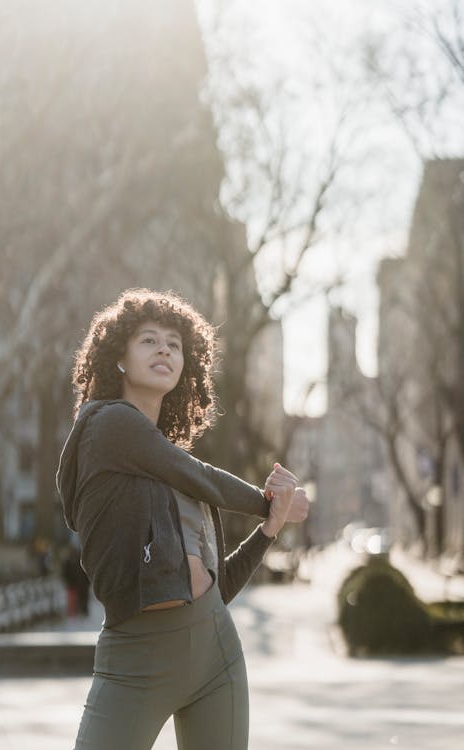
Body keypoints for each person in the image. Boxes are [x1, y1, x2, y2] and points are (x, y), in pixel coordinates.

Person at [56, 287, 309, 750]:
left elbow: (220, 585)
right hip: (135, 660)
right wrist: (267, 499)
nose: (164, 350)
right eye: (149, 340)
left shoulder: (168, 469)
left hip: (215, 653)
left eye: (174, 344)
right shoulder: (108, 425)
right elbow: (198, 473)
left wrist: (269, 528)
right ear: (118, 358)